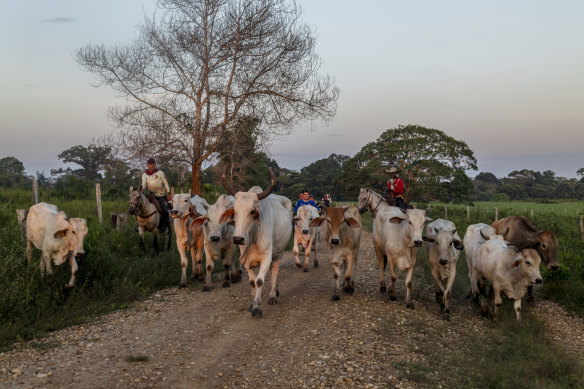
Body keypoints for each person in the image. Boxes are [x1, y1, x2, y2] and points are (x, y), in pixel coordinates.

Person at [141, 158, 172, 232]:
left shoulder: (160, 173)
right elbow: (144, 185)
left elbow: (165, 183)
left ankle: (164, 225)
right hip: (151, 196)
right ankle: (140, 224)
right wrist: (142, 189)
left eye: (153, 164)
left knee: (165, 211)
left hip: (161, 195)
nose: (151, 165)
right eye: (150, 164)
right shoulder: (144, 175)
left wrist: (168, 192)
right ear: (147, 165)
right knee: (140, 207)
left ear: (155, 164)